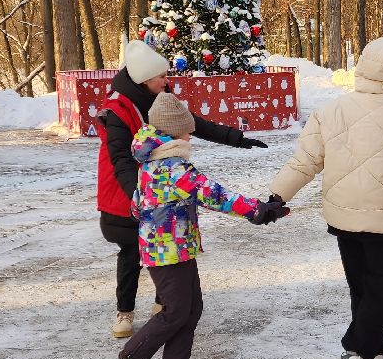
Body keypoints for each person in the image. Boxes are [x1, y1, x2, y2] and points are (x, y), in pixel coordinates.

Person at [265, 37, 383, 359]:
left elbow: (305, 161)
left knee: (361, 286)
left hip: (342, 217)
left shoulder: (330, 111)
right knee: (382, 288)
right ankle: (355, 353)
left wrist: (277, 195)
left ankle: (374, 356)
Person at [97, 40, 268, 339]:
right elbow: (120, 160)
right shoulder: (118, 110)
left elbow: (191, 124)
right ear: (144, 79)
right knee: (131, 250)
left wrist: (237, 139)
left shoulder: (161, 98)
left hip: (160, 186)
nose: (167, 80)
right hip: (126, 189)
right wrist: (137, 194)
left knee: (165, 245)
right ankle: (125, 311)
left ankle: (164, 304)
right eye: (161, 76)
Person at [118, 93, 286, 359]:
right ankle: (134, 355)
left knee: (191, 307)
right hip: (167, 250)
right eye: (187, 129)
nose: (191, 133)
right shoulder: (172, 167)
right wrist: (258, 210)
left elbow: (135, 205)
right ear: (174, 131)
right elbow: (214, 194)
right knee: (175, 310)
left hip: (173, 246)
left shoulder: (150, 161)